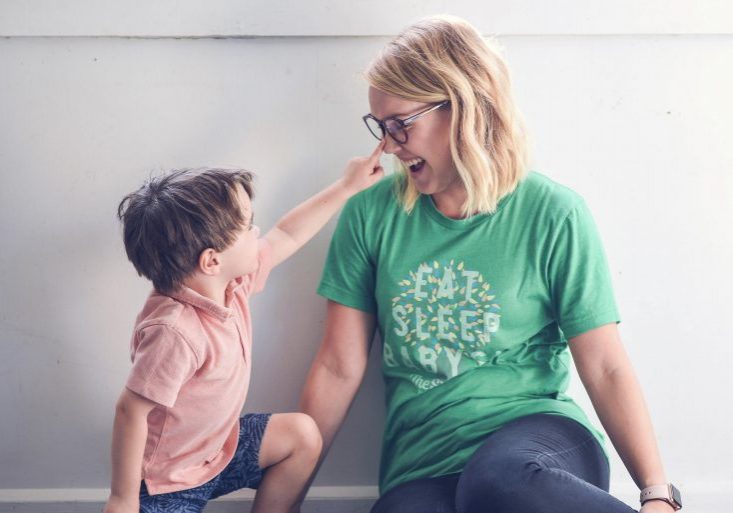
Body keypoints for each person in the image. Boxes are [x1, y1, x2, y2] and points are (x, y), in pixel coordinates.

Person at [300, 15, 681, 513]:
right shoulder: (370, 216)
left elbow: (605, 364)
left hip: (539, 446)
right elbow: (337, 367)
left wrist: (657, 495)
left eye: (400, 125)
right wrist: (278, 504)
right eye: (381, 127)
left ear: (461, 109)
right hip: (423, 463)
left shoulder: (553, 213)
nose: (388, 146)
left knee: (498, 481)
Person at [104, 146, 384, 513]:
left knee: (301, 435)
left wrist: (347, 187)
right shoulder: (173, 332)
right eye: (248, 226)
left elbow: (287, 233)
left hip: (220, 450)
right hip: (167, 483)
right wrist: (122, 498)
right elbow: (131, 411)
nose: (258, 232)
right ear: (211, 260)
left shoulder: (229, 287)